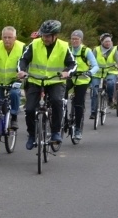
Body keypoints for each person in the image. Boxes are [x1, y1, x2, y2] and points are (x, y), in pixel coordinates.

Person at [17, 20, 76, 149]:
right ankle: (32, 135)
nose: (45, 38)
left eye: (48, 36)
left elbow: (73, 64)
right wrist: (21, 71)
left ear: (55, 36)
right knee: (30, 109)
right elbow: (23, 59)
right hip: (35, 80)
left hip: (55, 81)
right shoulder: (35, 44)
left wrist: (67, 72)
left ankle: (55, 132)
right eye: (43, 35)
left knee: (56, 101)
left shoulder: (63, 46)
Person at [66, 30, 98, 140]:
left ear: (81, 40)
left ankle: (78, 129)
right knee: (60, 97)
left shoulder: (86, 51)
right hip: (70, 77)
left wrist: (90, 72)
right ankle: (63, 119)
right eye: (72, 39)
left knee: (78, 104)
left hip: (82, 79)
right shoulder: (68, 50)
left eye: (77, 39)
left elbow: (95, 66)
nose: (74, 41)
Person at [0, 26, 24, 130]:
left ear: (15, 38)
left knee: (14, 93)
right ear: (1, 37)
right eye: (5, 37)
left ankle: (14, 117)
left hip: (15, 79)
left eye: (10, 37)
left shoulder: (22, 48)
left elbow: (26, 64)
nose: (7, 40)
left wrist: (23, 75)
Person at [92, 33, 118, 111]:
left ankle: (110, 99)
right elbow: (91, 59)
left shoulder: (114, 50)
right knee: (94, 91)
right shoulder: (96, 50)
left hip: (111, 72)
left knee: (111, 83)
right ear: (102, 42)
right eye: (106, 41)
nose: (108, 43)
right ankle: (93, 111)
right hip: (98, 73)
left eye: (109, 41)